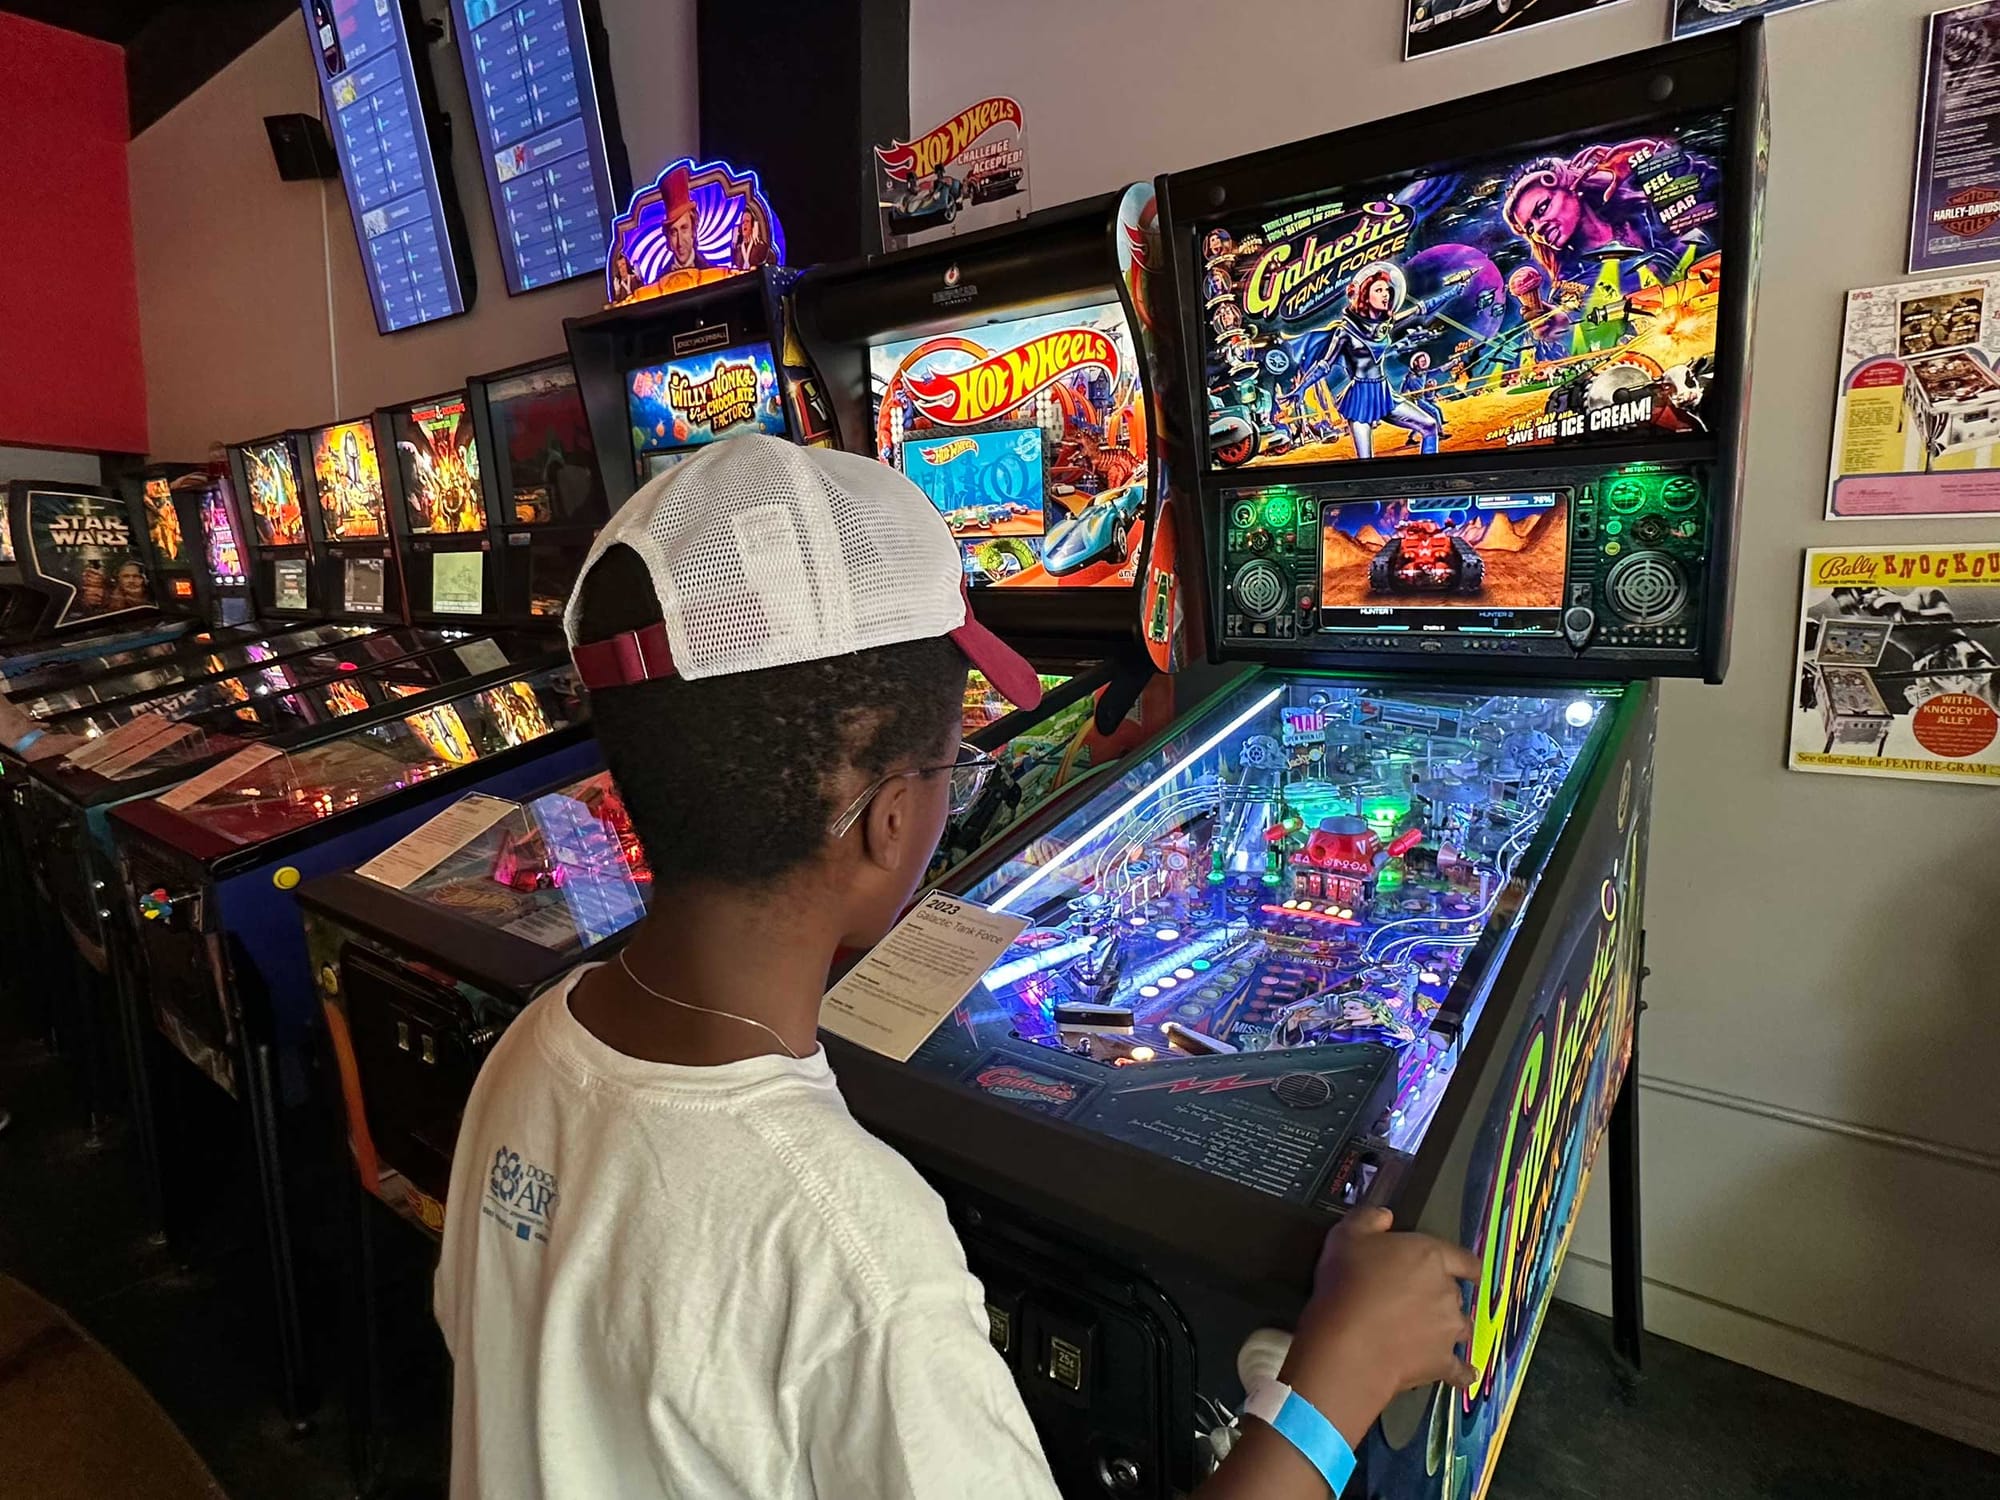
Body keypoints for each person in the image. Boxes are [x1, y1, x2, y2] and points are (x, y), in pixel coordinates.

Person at [435, 436, 1478, 1500]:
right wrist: (1333, 1385)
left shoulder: (533, 1043)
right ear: (888, 821)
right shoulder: (852, 1242)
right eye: (954, 765)